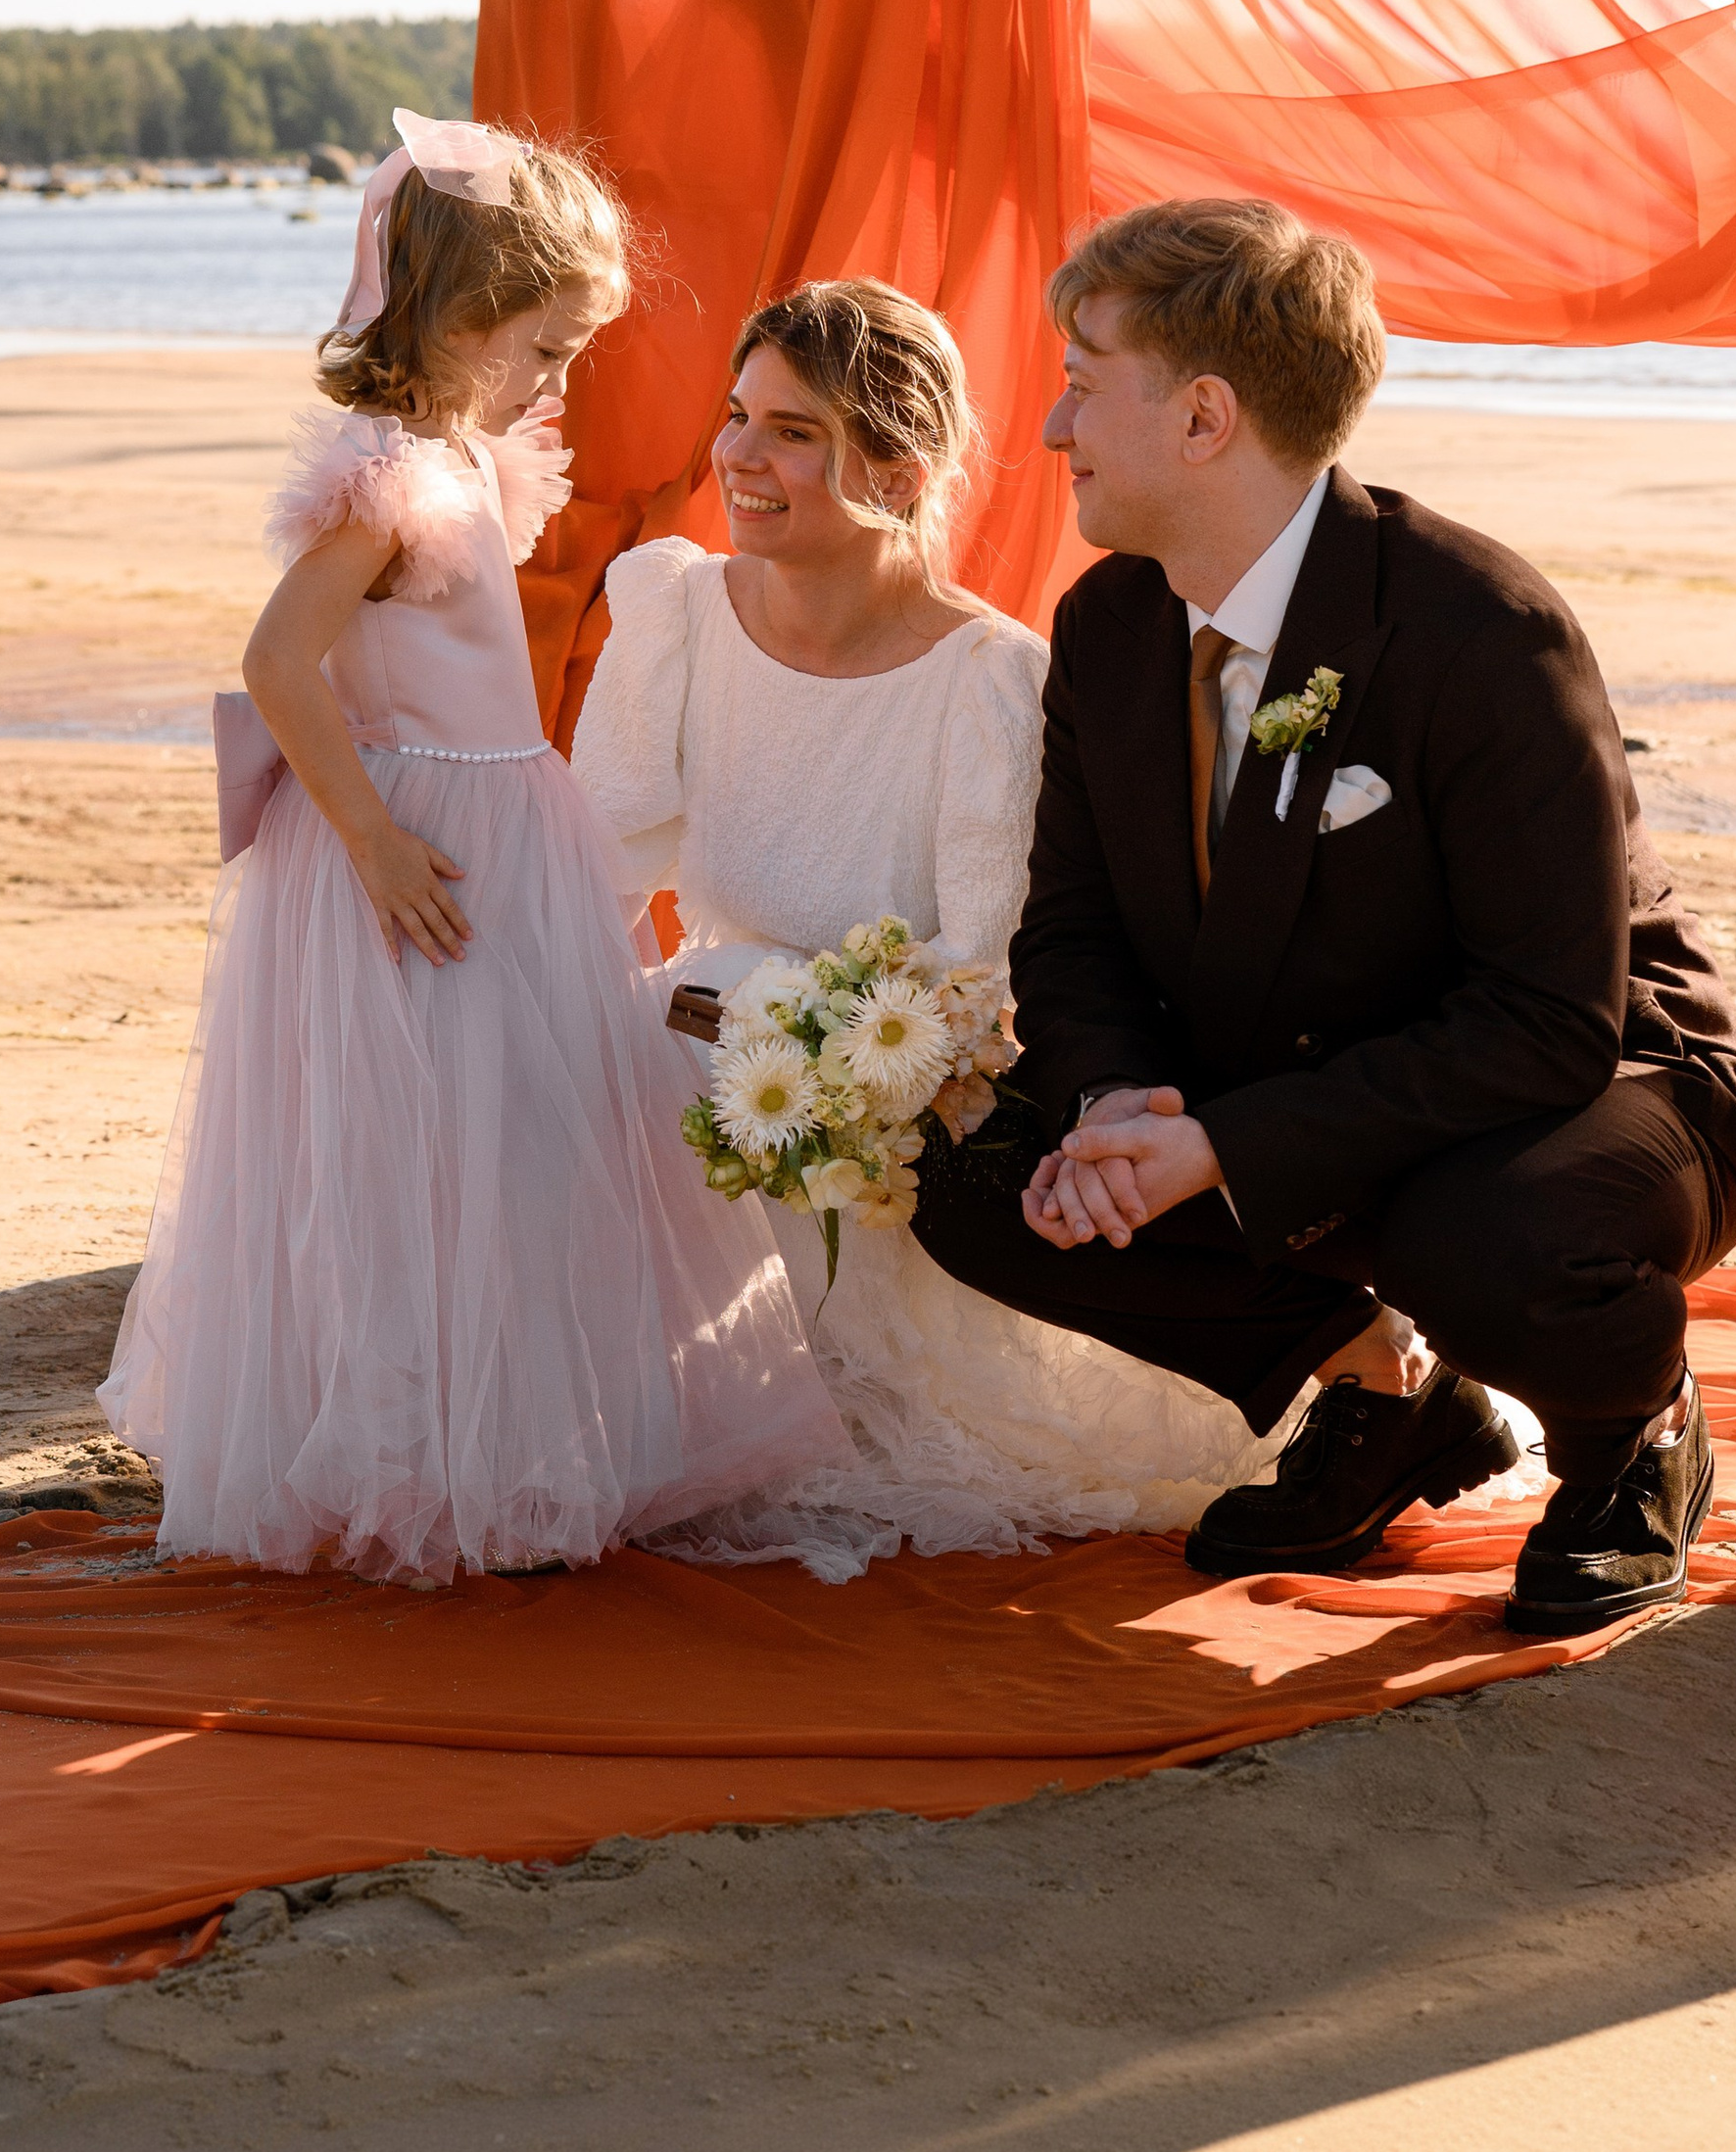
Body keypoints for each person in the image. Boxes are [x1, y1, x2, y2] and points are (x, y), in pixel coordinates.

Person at [909, 197, 1736, 1632]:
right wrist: (1118, 1105)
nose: (1057, 428)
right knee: (977, 1181)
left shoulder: (1478, 628)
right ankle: (1387, 1392)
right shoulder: (1109, 627)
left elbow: (1548, 1019)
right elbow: (1071, 929)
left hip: (1611, 1087)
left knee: (1475, 1237)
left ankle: (1633, 1430)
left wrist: (1221, 1147)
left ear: (1205, 418)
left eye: (1080, 379)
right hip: (1308, 1072)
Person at [99, 111, 846, 1578]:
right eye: (547, 347)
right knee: (422, 1151)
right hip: (422, 850)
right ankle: (420, 1459)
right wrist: (371, 838)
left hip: (501, 824)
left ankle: (508, 1438)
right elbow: (276, 663)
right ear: (459, 319)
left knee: (511, 1143)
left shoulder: (458, 456)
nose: (559, 380)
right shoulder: (390, 478)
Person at [569, 276, 1341, 1575]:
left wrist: (825, 1051)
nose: (740, 459)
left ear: (899, 465)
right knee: (626, 1040)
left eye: (794, 432)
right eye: (738, 415)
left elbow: (981, 977)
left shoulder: (989, 682)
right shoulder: (676, 616)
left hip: (883, 1102)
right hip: (702, 1055)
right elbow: (589, 866)